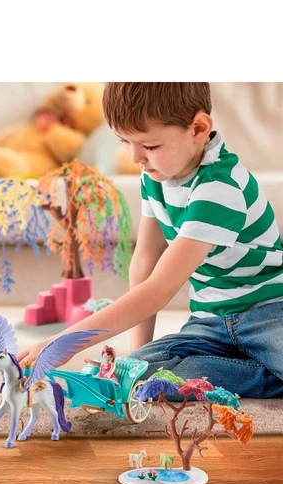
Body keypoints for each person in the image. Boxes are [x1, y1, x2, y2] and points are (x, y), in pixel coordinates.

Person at [18, 83, 283, 399]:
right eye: (124, 141)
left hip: (269, 314)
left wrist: (65, 342)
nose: (135, 157)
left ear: (198, 129)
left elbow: (159, 289)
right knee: (142, 375)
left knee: (153, 378)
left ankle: (266, 371)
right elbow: (144, 262)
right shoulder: (157, 176)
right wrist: (136, 358)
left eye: (150, 145)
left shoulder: (219, 188)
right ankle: (263, 370)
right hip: (210, 323)